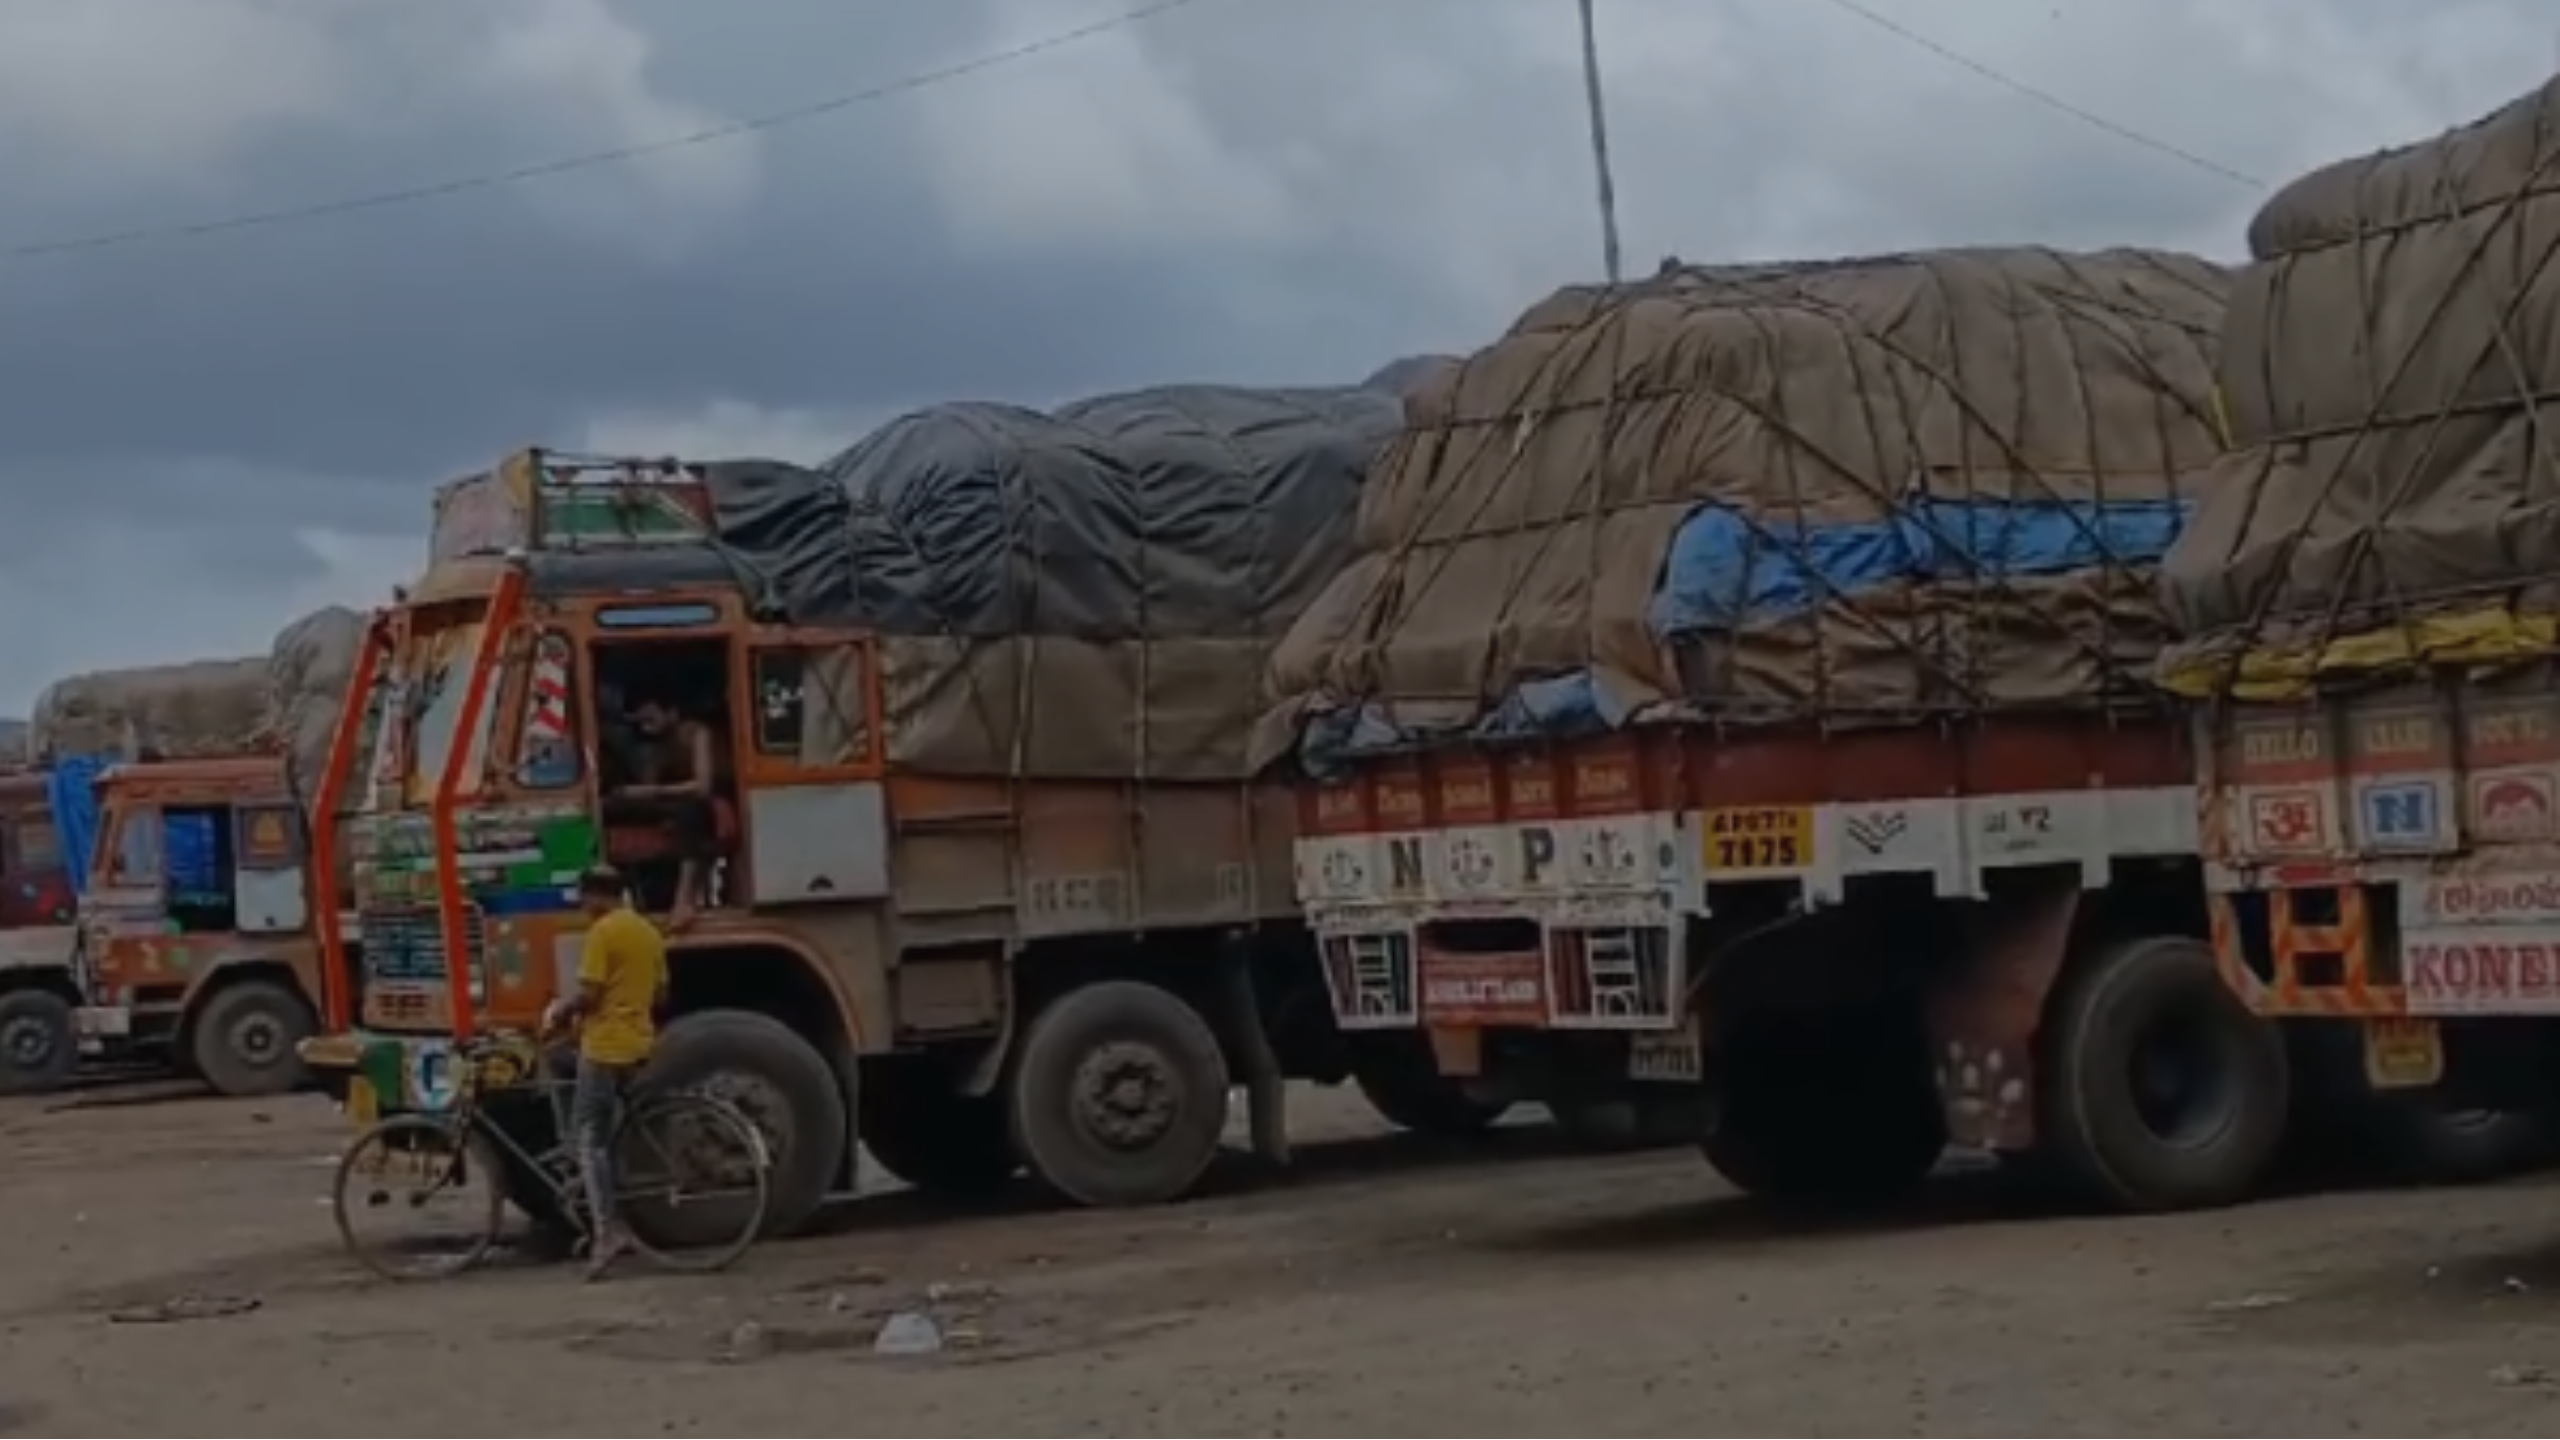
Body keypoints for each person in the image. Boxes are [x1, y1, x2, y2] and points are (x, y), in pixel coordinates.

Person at [542, 865, 669, 1280]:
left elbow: (590, 992)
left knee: (590, 1140)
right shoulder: (647, 931)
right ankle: (573, 1163)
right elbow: (662, 990)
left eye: (583, 898)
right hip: (639, 1041)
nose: (582, 907)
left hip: (607, 1047)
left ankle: (607, 1231)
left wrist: (562, 1011)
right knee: (559, 1060)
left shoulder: (604, 931)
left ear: (598, 896)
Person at [602, 694, 718, 928]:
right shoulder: (652, 743)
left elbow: (702, 786)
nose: (645, 722)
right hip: (663, 802)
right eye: (640, 717)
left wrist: (652, 791)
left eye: (651, 716)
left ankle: (684, 902)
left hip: (693, 802)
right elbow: (648, 782)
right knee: (607, 806)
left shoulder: (696, 733)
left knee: (690, 814)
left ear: (672, 713)